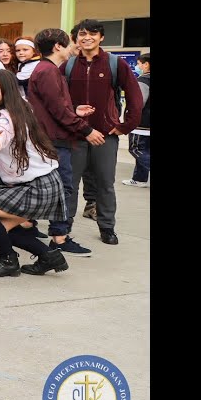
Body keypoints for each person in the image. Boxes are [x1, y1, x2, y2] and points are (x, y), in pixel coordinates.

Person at [0, 70, 72, 278]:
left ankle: (7, 260)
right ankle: (48, 256)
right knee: (1, 230)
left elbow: (1, 134)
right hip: (42, 182)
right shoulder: (19, 107)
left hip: (37, 186)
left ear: (8, 90)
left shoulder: (4, 117)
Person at [61, 19, 144, 245]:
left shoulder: (114, 64)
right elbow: (57, 98)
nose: (87, 37)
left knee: (105, 183)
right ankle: (63, 228)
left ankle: (107, 227)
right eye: (82, 34)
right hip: (75, 135)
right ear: (76, 38)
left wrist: (125, 125)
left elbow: (135, 96)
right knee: (69, 183)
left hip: (106, 135)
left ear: (101, 37)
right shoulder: (68, 66)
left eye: (92, 34)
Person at [25, 28, 97, 257]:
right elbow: (57, 111)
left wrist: (73, 110)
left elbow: (54, 107)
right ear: (57, 46)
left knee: (57, 188)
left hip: (53, 138)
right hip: (54, 140)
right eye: (69, 44)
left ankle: (47, 231)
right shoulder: (48, 71)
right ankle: (59, 237)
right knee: (63, 188)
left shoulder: (47, 70)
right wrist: (86, 129)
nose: (72, 48)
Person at [123, 53, 151, 188]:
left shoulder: (144, 80)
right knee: (146, 150)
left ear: (146, 64)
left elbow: (139, 103)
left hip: (142, 124)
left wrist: (129, 119)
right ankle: (139, 179)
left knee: (136, 149)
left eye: (139, 64)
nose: (138, 67)